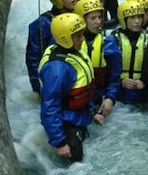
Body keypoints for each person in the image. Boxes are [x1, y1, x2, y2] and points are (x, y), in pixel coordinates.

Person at [38, 12, 110, 162]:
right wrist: (60, 143)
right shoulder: (57, 69)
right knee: (77, 165)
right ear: (65, 39)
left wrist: (93, 112)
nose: (83, 39)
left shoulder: (74, 52)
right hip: (66, 126)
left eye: (82, 34)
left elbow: (82, 90)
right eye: (78, 36)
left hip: (79, 117)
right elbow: (50, 107)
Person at [26, 0, 77, 94]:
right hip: (53, 77)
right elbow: (33, 57)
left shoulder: (77, 17)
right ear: (57, 0)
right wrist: (38, 86)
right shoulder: (43, 23)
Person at [74, 0, 120, 114]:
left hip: (98, 98)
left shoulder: (108, 43)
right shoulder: (71, 44)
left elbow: (114, 76)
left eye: (100, 17)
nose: (98, 22)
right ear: (82, 20)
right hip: (76, 99)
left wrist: (110, 98)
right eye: (93, 18)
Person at [104, 0, 148, 105]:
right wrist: (121, 82)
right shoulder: (113, 40)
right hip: (119, 92)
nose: (137, 21)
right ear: (123, 20)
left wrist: (144, 81)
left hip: (142, 91)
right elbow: (107, 70)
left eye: (139, 17)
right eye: (132, 18)